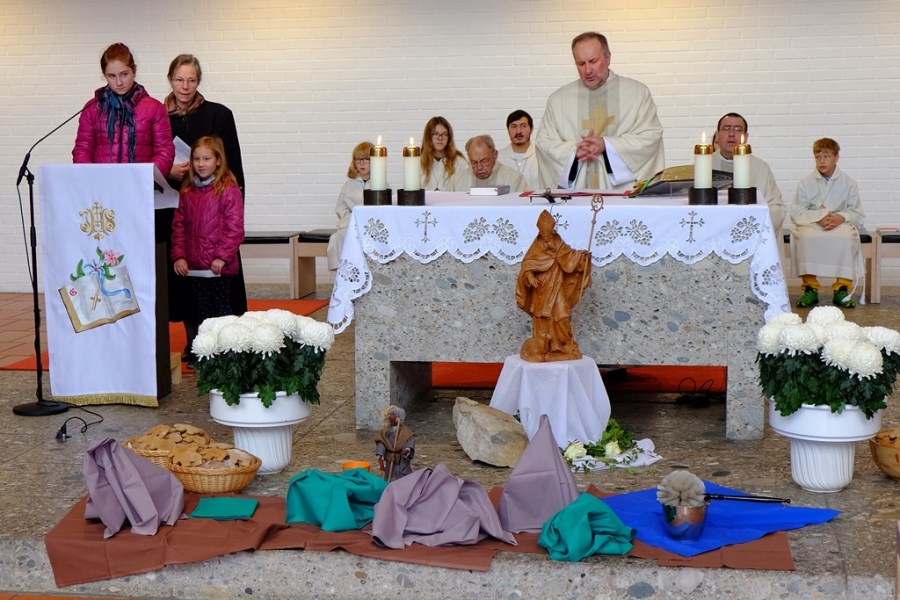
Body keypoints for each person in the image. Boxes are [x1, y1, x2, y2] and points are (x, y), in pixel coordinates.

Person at [163, 54, 248, 351]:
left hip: (214, 206)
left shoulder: (218, 115)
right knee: (185, 284)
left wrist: (235, 207)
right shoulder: (159, 116)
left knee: (218, 290)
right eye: (179, 79)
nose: (185, 86)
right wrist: (166, 170)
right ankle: (193, 343)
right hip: (172, 205)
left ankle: (223, 344)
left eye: (191, 80)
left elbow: (233, 165)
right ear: (170, 79)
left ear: (199, 82)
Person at [535, 32, 664, 191]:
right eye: (581, 64)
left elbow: (650, 137)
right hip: (575, 199)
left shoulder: (637, 93)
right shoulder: (558, 100)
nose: (588, 70)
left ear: (608, 57)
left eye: (593, 61)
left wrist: (606, 145)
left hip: (623, 197)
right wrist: (574, 152)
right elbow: (543, 143)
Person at [171, 136, 245, 356]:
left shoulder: (228, 190)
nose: (201, 164)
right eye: (196, 159)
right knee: (200, 314)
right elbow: (178, 227)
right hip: (194, 268)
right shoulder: (187, 191)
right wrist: (179, 256)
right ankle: (208, 354)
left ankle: (230, 353)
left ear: (218, 160)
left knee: (221, 315)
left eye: (206, 158)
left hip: (217, 269)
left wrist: (222, 256)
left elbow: (235, 228)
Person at [73, 42, 174, 176]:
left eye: (124, 74)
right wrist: (93, 179)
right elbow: (82, 150)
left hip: (141, 186)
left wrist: (147, 178)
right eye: (112, 76)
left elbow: (164, 151)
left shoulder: (155, 108)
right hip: (102, 187)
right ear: (104, 74)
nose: (119, 82)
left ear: (134, 71)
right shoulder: (92, 108)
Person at [789, 138, 864, 308]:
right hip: (814, 224)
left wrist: (841, 217)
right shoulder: (805, 183)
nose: (821, 161)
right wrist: (818, 217)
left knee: (846, 237)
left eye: (826, 156)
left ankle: (841, 288)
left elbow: (857, 213)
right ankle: (809, 288)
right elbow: (796, 212)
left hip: (839, 225)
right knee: (805, 237)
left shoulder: (849, 183)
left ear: (836, 157)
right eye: (818, 157)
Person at [515, 210, 591, 362]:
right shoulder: (537, 246)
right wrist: (530, 277)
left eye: (549, 235)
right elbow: (528, 265)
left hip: (557, 286)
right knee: (543, 317)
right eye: (545, 236)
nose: (547, 239)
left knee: (562, 315)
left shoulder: (558, 242)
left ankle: (563, 344)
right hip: (542, 288)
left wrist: (581, 257)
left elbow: (569, 256)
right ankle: (545, 347)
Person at [712, 112, 787, 233]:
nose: (731, 134)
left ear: (745, 137)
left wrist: (751, 226)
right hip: (715, 233)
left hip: (751, 233)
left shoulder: (761, 168)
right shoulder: (703, 166)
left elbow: (777, 208)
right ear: (717, 135)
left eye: (737, 129)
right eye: (726, 129)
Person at [326, 141, 373, 270]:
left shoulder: (381, 183)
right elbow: (341, 207)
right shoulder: (349, 184)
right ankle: (345, 270)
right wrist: (350, 218)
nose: (362, 163)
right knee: (339, 237)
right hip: (351, 222)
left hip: (371, 223)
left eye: (366, 159)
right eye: (358, 160)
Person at [446, 135, 527, 193]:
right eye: (473, 162)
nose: (479, 167)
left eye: (484, 161)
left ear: (495, 155)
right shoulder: (456, 182)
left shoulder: (515, 180)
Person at [420, 116, 469, 191]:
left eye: (444, 134)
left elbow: (466, 191)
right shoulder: (417, 163)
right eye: (436, 134)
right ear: (428, 137)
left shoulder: (460, 163)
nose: (440, 138)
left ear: (449, 138)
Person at [497, 110, 541, 190]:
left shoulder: (541, 156)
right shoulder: (498, 158)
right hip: (507, 202)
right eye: (513, 126)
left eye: (523, 126)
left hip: (536, 202)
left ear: (531, 129)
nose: (518, 131)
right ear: (508, 130)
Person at [373, 405, 416, 481]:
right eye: (390, 414)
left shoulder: (406, 432)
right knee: (390, 474)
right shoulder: (386, 432)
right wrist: (380, 456)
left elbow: (410, 441)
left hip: (401, 459)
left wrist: (407, 449)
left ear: (398, 418)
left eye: (392, 415)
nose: (389, 417)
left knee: (402, 475)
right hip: (390, 459)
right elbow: (382, 442)